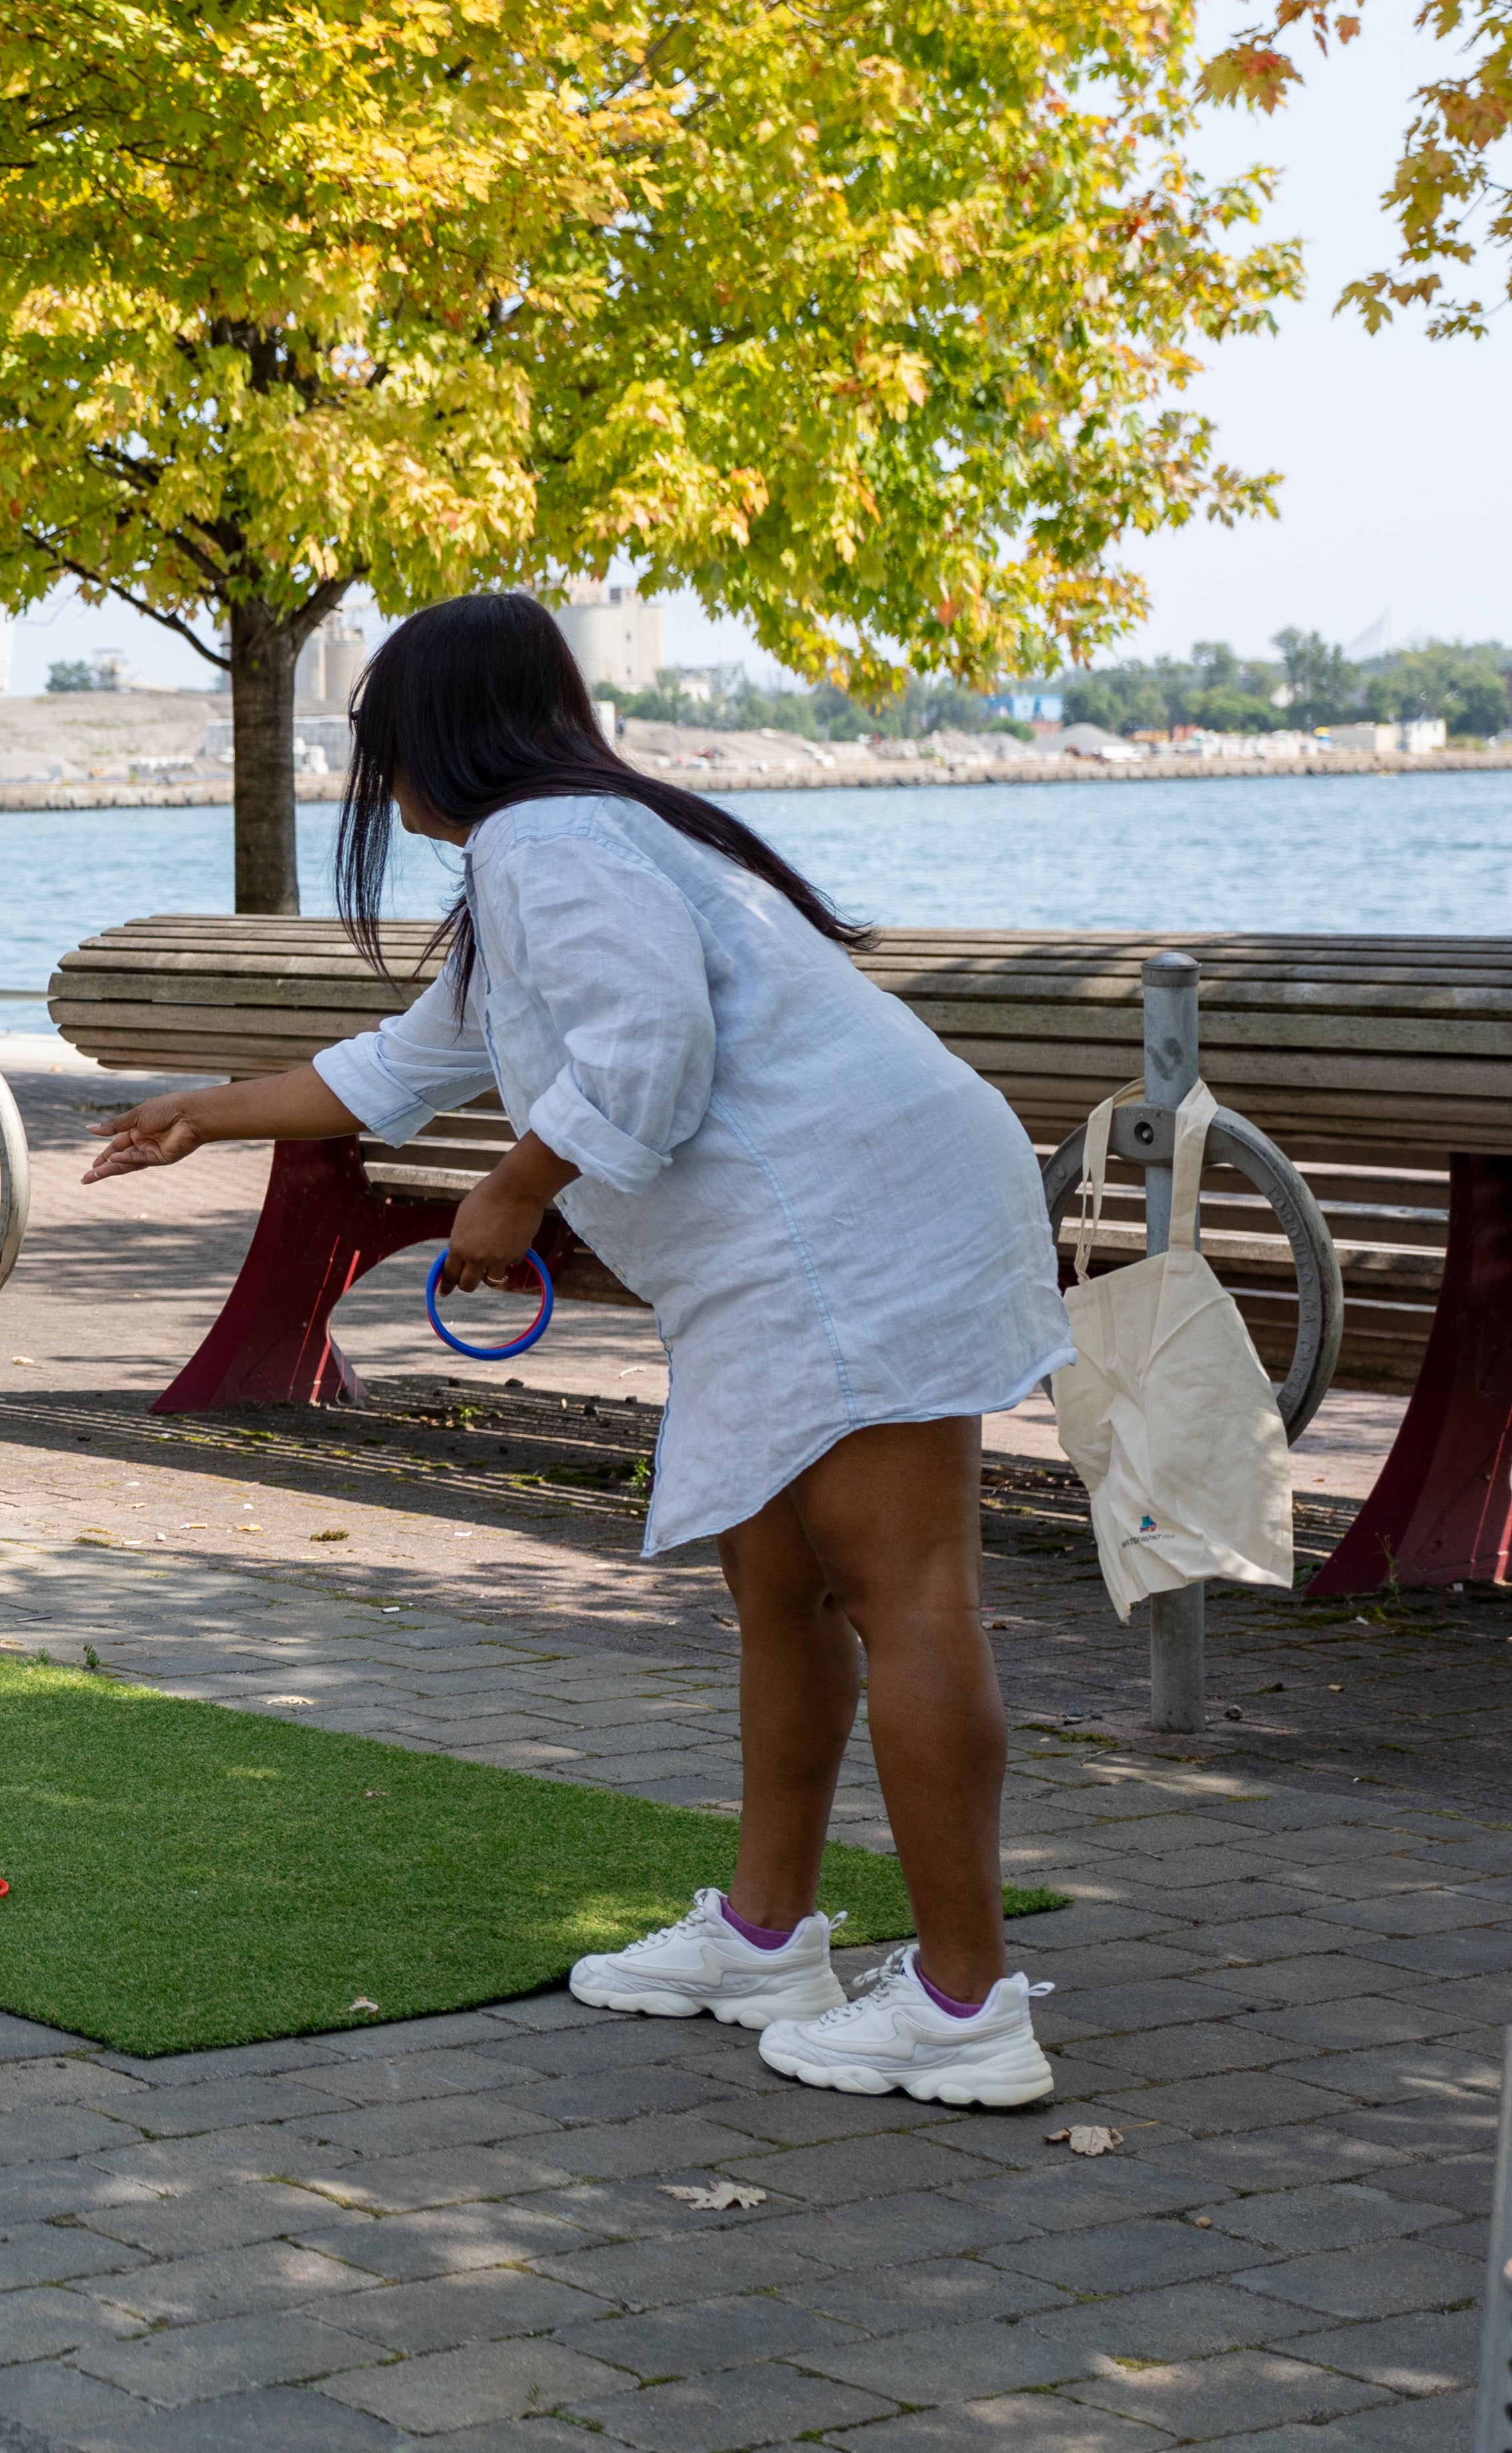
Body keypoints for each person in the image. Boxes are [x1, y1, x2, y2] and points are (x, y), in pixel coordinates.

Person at [83, 592, 1072, 2109]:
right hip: (832, 1218)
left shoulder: (549, 843)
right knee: (779, 1585)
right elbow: (403, 1063)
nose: (370, 762)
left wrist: (517, 1184)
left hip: (854, 1225)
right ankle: (762, 1933)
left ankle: (960, 2005)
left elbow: (645, 1041)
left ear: (439, 729)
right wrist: (201, 1113)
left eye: (375, 732)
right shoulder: (561, 844)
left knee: (905, 1590)